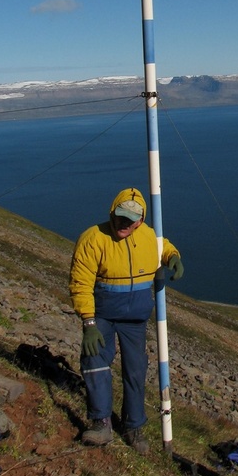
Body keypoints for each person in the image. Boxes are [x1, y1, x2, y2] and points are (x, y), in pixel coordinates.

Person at [69, 187, 184, 454]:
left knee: (135, 371)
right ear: (112, 212)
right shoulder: (93, 239)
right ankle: (101, 423)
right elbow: (80, 283)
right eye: (120, 217)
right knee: (95, 362)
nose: (124, 224)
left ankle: (134, 426)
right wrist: (88, 323)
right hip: (103, 316)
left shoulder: (147, 237)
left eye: (131, 220)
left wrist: (173, 257)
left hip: (135, 320)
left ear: (141, 221)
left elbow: (162, 246)